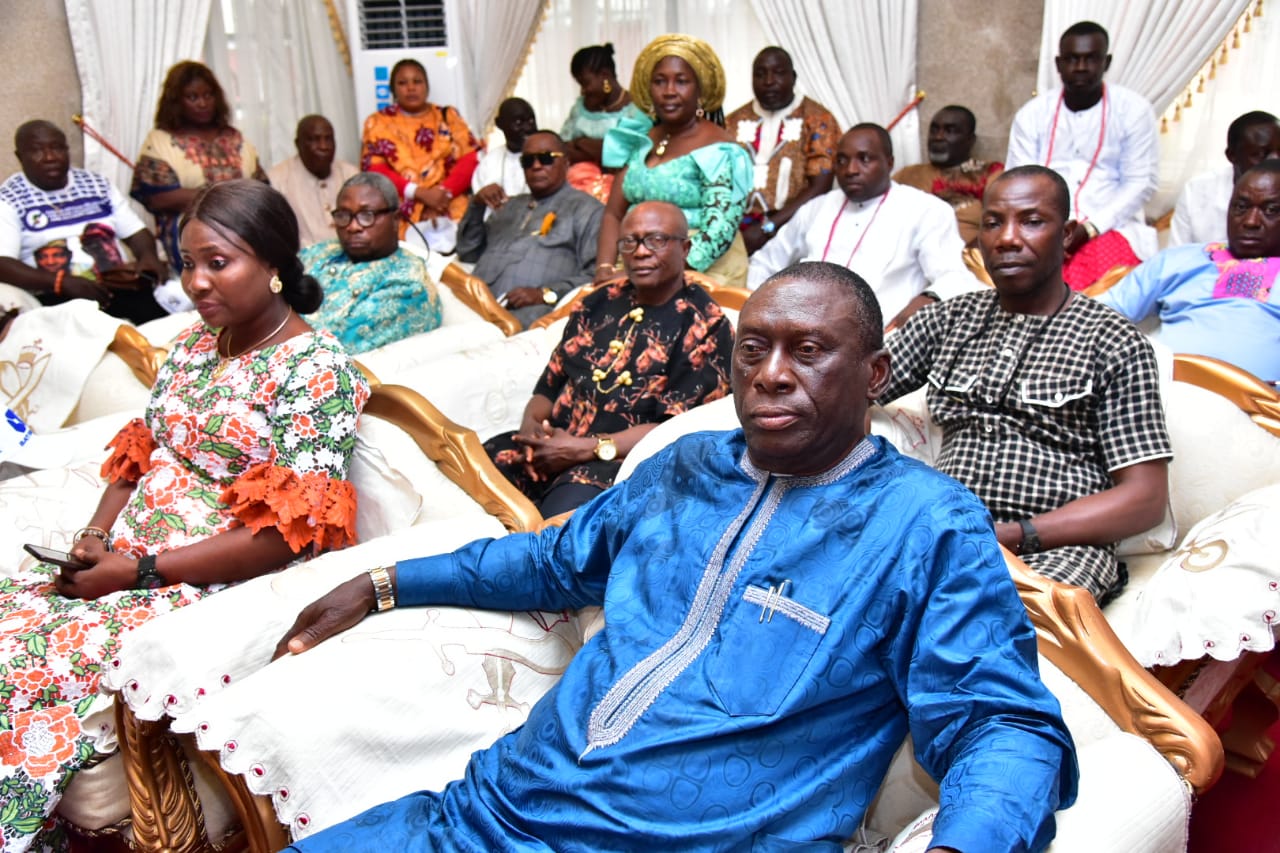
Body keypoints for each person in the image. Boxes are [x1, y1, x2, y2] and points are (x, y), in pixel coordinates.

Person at [278, 260, 1078, 853]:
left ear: (873, 375)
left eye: (808, 351)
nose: (771, 375)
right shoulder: (685, 467)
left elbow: (1003, 721)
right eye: (754, 349)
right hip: (492, 816)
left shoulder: (927, 524)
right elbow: (553, 561)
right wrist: (386, 581)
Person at [0, 179, 368, 851]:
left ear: (275, 265)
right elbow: (139, 449)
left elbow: (282, 537)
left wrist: (136, 570)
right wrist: (92, 536)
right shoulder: (199, 345)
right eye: (187, 263)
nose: (196, 282)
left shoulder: (313, 369)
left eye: (217, 263)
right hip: (125, 561)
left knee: (28, 655)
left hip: (197, 583)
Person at [881, 165, 1172, 603]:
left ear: (1068, 234)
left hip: (1057, 549)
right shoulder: (948, 320)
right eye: (993, 223)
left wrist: (1019, 535)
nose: (1007, 238)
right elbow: (856, 385)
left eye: (1031, 221)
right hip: (942, 530)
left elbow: (1145, 498)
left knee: (984, 623)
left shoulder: (1114, 341)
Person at [485, 200, 732, 516]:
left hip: (621, 462)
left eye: (655, 240)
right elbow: (550, 384)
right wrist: (532, 428)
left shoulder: (706, 326)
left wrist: (587, 448)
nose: (640, 252)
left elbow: (674, 431)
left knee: (564, 518)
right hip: (554, 445)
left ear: (684, 248)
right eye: (629, 241)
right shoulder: (599, 301)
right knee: (487, 461)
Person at [748, 124, 983, 328]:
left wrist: (927, 300)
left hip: (884, 339)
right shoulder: (818, 207)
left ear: (889, 163)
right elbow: (765, 262)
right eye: (842, 160)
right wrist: (764, 307)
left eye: (865, 159)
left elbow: (955, 277)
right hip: (804, 331)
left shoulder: (925, 210)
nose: (851, 170)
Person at [1005, 21, 1159, 290]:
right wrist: (1046, 227)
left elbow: (1140, 183)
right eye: (1072, 59)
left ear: (1106, 62)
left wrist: (1090, 228)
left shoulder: (1134, 110)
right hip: (1039, 224)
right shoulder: (1032, 114)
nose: (1080, 67)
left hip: (1111, 224)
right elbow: (1019, 182)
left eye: (1090, 59)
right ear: (1058, 63)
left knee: (1095, 294)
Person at [594, 34, 753, 287]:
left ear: (699, 90)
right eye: (659, 81)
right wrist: (605, 268)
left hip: (699, 273)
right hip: (636, 264)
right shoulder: (641, 140)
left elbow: (716, 235)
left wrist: (643, 271)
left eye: (681, 81)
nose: (669, 91)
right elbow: (613, 213)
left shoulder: (721, 150)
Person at [1099, 161, 1280, 383]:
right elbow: (1096, 316)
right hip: (1158, 395)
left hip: (1258, 407)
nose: (1250, 221)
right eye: (1241, 207)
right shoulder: (1179, 260)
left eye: (1271, 210)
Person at [1, 120, 170, 323]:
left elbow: (136, 232)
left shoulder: (96, 185)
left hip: (116, 287)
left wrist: (148, 255)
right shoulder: (9, 198)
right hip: (57, 297)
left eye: (57, 148)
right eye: (37, 151)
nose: (50, 158)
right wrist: (60, 282)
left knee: (167, 325)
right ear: (20, 157)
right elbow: (3, 263)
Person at [132, 61, 268, 275]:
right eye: (193, 97)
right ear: (177, 102)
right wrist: (226, 196)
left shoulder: (234, 138)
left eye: (208, 95)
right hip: (192, 241)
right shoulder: (160, 142)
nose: (203, 103)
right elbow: (158, 198)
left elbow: (262, 190)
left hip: (245, 234)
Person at [457, 131, 604, 326]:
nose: (536, 166)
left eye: (546, 159)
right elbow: (468, 252)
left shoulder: (587, 209)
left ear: (566, 162)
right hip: (470, 305)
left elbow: (595, 275)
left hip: (527, 314)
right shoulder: (509, 205)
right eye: (528, 161)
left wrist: (545, 294)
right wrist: (476, 206)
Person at [301, 172, 443, 354]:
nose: (353, 227)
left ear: (395, 220)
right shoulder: (323, 250)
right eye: (344, 215)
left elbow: (325, 351)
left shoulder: (408, 287)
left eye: (366, 215)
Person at [725, 46, 840, 253]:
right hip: (736, 233)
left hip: (796, 230)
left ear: (793, 77)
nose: (769, 81)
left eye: (778, 73)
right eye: (760, 74)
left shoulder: (818, 119)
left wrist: (768, 227)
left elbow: (820, 187)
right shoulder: (732, 122)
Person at [360, 57, 480, 240]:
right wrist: (418, 193)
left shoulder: (448, 116)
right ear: (393, 90)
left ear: (426, 86)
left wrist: (442, 195)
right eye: (402, 83)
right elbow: (374, 169)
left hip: (449, 204)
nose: (411, 88)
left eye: (417, 81)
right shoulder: (377, 122)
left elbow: (470, 158)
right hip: (402, 207)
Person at [893, 105, 1004, 245]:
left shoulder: (990, 174)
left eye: (950, 131)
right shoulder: (906, 175)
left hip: (967, 259)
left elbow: (1001, 225)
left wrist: (966, 258)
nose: (938, 137)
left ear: (970, 140)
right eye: (934, 130)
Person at [1169, 110, 1280, 247]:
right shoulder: (1196, 190)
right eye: (1261, 154)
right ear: (1232, 156)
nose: (1275, 160)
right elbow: (1177, 254)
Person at [559, 43, 648, 202]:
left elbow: (623, 159)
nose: (583, 91)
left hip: (622, 192)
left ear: (605, 76)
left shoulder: (635, 112)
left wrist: (580, 142)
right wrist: (602, 148)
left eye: (585, 83)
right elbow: (563, 150)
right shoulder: (580, 108)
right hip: (578, 190)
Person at [268, 115, 360, 248]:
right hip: (303, 264)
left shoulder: (351, 174)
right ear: (298, 144)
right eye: (315, 140)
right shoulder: (277, 181)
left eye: (328, 139)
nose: (324, 146)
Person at [471, 98, 537, 214]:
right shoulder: (489, 162)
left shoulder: (546, 158)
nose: (527, 128)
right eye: (518, 123)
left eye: (531, 121)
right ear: (499, 124)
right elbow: (482, 210)